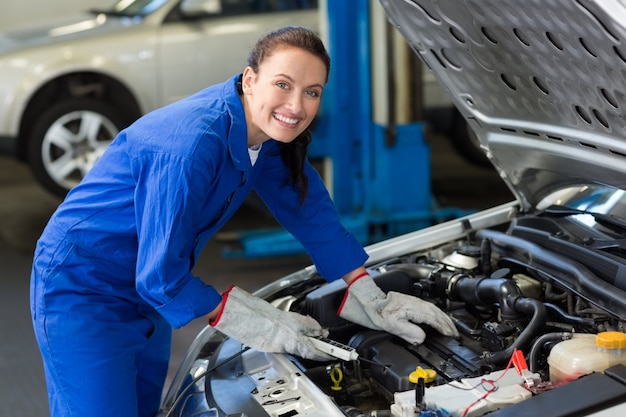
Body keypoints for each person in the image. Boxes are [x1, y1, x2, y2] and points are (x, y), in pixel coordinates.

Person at [30, 26, 458, 417]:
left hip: (146, 288)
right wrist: (256, 322)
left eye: (312, 92)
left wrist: (365, 288)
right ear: (249, 79)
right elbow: (160, 277)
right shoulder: (192, 144)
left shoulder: (264, 135)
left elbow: (307, 209)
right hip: (83, 288)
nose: (296, 105)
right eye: (283, 85)